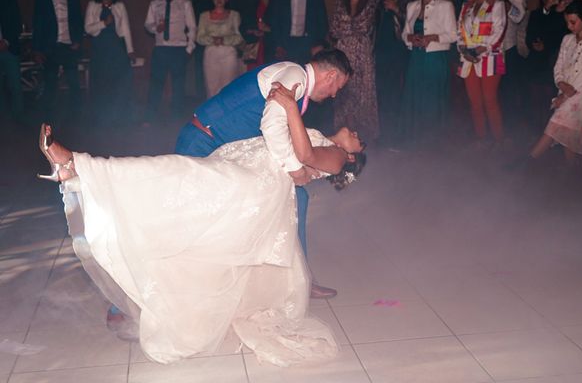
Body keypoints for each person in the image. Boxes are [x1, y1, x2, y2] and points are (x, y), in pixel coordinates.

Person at [36, 89, 365, 365]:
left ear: (351, 160)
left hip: (252, 185)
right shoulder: (327, 142)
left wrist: (291, 106)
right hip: (243, 171)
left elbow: (303, 152)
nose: (356, 135)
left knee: (174, 174)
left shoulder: (335, 157)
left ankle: (78, 166)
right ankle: (81, 174)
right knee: (175, 191)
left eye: (359, 143)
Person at [175, 48, 353, 299]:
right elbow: (272, 126)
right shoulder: (294, 76)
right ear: (331, 75)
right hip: (202, 143)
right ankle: (132, 299)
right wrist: (296, 171)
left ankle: (299, 280)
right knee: (182, 221)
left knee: (296, 200)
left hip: (224, 151)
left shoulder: (295, 81)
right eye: (338, 87)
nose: (334, 94)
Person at [525, 0, 582, 165]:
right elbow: (558, 65)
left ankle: (529, 160)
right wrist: (560, 83)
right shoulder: (567, 39)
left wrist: (564, 96)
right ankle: (571, 173)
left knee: (557, 122)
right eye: (567, 22)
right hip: (565, 90)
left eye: (573, 22)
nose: (570, 26)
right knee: (568, 134)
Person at [400, 0, 456, 144]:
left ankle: (434, 140)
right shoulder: (412, 6)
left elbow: (453, 35)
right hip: (416, 59)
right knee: (415, 97)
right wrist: (411, 38)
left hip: (435, 59)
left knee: (432, 99)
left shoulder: (445, 6)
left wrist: (431, 38)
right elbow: (404, 34)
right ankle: (415, 138)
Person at [457, 0, 507, 148]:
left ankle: (499, 139)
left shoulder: (497, 4)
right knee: (475, 102)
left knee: (490, 100)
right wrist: (463, 49)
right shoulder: (466, 6)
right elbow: (460, 31)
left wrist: (479, 50)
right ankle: (481, 137)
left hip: (490, 59)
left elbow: (499, 31)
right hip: (468, 60)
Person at [331, 0, 379, 141]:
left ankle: (363, 136)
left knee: (362, 96)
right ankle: (343, 134)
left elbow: (364, 27)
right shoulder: (339, 4)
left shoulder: (370, 4)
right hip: (343, 55)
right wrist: (351, 28)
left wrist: (347, 27)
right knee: (343, 94)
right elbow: (335, 30)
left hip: (362, 56)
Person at [143, 0, 196, 122]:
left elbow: (192, 27)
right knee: (156, 85)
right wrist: (154, 28)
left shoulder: (184, 3)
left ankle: (176, 118)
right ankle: (150, 117)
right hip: (161, 48)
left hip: (179, 49)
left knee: (178, 86)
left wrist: (189, 48)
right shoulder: (155, 3)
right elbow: (147, 24)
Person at [32, 0, 84, 121]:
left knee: (74, 82)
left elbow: (78, 24)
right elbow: (38, 26)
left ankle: (75, 116)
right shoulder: (41, 1)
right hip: (51, 48)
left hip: (69, 47)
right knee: (50, 84)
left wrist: (78, 41)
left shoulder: (73, 1)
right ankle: (48, 118)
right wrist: (37, 50)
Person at [84, 0, 135, 126]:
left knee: (118, 85)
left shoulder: (119, 6)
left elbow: (126, 29)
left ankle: (119, 118)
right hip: (100, 49)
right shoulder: (92, 6)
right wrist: (103, 23)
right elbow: (87, 28)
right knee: (101, 85)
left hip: (116, 49)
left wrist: (130, 50)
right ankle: (101, 119)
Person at [373, 0, 414, 142]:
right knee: (382, 94)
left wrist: (397, 9)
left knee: (398, 93)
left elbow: (413, 24)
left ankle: (399, 135)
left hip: (399, 51)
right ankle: (384, 134)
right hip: (381, 51)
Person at [490, 0, 527, 131]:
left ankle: (509, 130)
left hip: (507, 47)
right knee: (490, 94)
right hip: (487, 48)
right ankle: (492, 129)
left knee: (507, 92)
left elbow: (519, 16)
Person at [526, 0, 569, 130]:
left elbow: (560, 36)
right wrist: (534, 44)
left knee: (549, 101)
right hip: (536, 63)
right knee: (534, 99)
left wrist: (555, 11)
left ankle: (548, 132)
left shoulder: (564, 14)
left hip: (553, 62)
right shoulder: (537, 13)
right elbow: (530, 35)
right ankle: (535, 130)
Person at [272, 0, 328, 64]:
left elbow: (322, 22)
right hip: (286, 44)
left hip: (308, 43)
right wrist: (278, 44)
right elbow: (275, 21)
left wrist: (318, 44)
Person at [196, 0, 245, 98]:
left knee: (228, 88)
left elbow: (239, 37)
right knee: (211, 87)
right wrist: (212, 40)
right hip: (210, 54)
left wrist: (224, 40)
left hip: (229, 54)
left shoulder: (234, 15)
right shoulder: (204, 16)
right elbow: (199, 38)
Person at [0, 0, 24, 122]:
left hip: (9, 49)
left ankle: (18, 117)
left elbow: (17, 25)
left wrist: (6, 41)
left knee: (15, 85)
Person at [242, 0, 275, 71]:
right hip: (255, 49)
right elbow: (243, 27)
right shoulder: (252, 6)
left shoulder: (278, 4)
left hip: (273, 48)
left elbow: (283, 27)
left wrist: (268, 29)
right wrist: (254, 31)